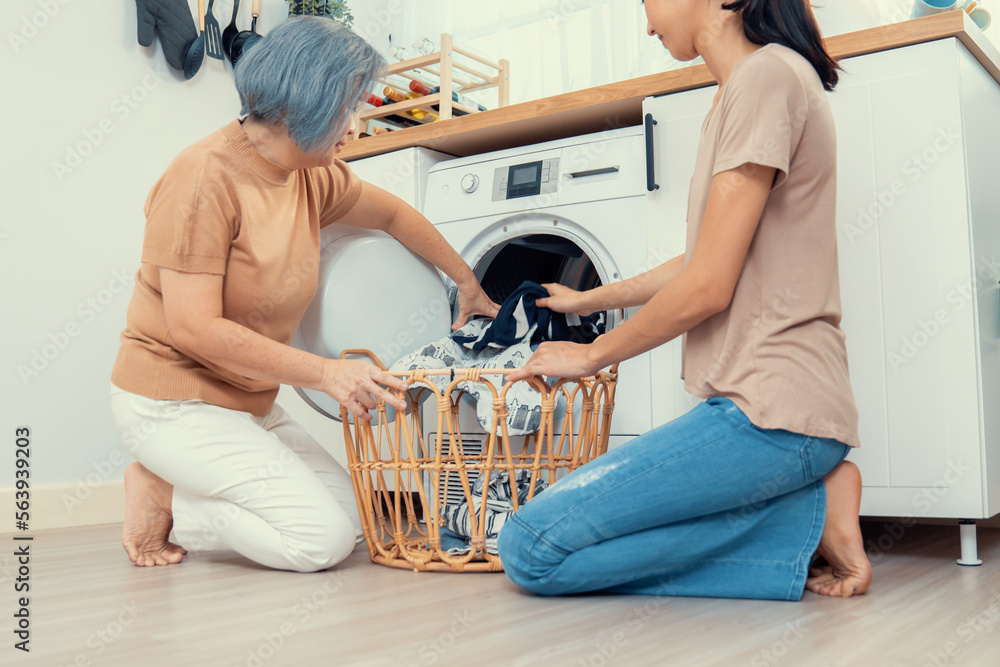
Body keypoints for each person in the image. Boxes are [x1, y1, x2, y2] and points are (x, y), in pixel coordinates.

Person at [497, 0, 872, 599]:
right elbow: (702, 260)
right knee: (545, 547)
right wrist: (588, 298)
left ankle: (807, 514)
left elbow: (708, 285)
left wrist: (591, 355)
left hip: (773, 414)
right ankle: (808, 515)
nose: (645, 20)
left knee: (531, 551)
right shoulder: (739, 91)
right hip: (757, 410)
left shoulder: (766, 77)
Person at [109, 17, 500, 572]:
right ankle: (163, 494)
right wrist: (327, 375)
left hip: (247, 404)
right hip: (172, 403)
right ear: (304, 102)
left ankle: (174, 484)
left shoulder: (309, 173)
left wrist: (467, 281)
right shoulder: (202, 178)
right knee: (320, 542)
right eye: (348, 106)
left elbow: (391, 213)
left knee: (355, 522)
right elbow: (194, 328)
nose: (356, 124)